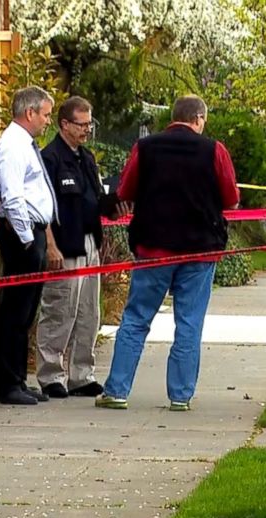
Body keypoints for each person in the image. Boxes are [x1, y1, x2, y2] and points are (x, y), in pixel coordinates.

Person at [96, 94, 239, 411]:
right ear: (199, 118)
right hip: (200, 250)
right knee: (189, 323)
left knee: (135, 319)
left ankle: (117, 390)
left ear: (172, 117)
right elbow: (231, 198)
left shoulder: (146, 148)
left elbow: (126, 190)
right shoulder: (214, 150)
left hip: (154, 247)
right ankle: (180, 396)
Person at [35, 96, 130, 398]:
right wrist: (50, 246)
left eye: (90, 123)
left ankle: (81, 374)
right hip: (65, 246)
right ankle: (51, 375)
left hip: (91, 242)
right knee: (60, 311)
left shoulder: (86, 158)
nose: (88, 129)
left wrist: (115, 208)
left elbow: (95, 200)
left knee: (89, 312)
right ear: (64, 124)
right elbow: (42, 209)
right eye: (82, 123)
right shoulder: (50, 159)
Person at [0, 86, 58, 406]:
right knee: (16, 310)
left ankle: (17, 378)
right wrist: (27, 239)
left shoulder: (25, 145)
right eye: (45, 114)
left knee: (27, 310)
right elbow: (13, 196)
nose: (47, 121)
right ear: (29, 113)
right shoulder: (12, 147)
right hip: (22, 234)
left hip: (33, 231)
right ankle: (6, 384)